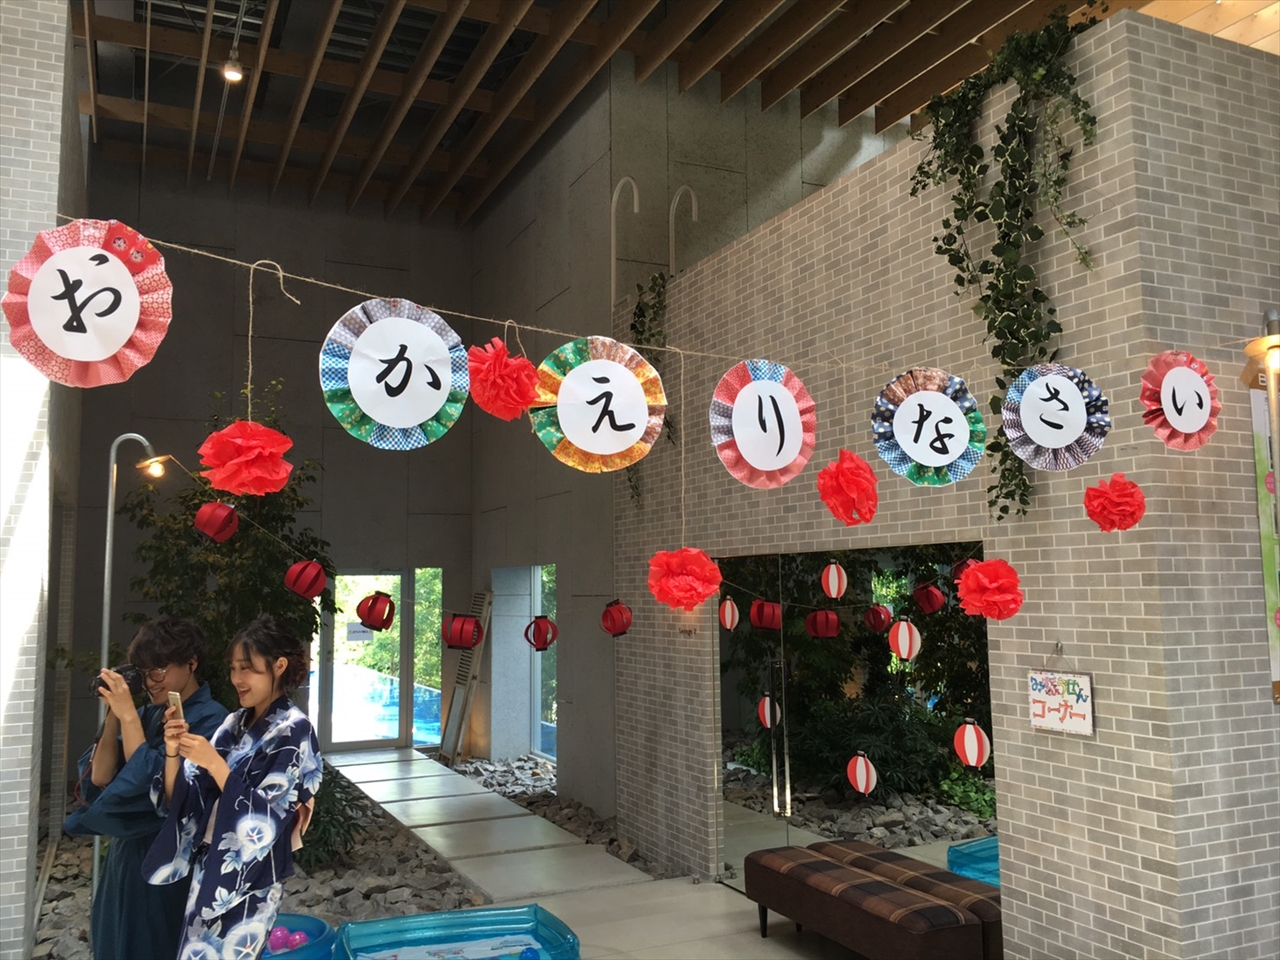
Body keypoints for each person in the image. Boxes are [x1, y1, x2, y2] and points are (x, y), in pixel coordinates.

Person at [144, 615, 322, 959]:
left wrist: (215, 764)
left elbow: (268, 817)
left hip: (253, 873)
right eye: (233, 669)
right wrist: (172, 751)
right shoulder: (233, 723)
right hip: (212, 864)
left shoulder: (294, 729)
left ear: (279, 666)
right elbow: (184, 797)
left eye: (247, 669)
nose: (237, 679)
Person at [64, 617, 229, 960]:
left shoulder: (213, 719)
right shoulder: (148, 714)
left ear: (191, 663)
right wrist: (115, 714)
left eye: (159, 671)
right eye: (143, 672)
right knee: (114, 943)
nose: (151, 681)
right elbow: (100, 777)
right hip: (126, 856)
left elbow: (159, 789)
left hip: (170, 862)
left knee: (153, 946)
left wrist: (129, 718)